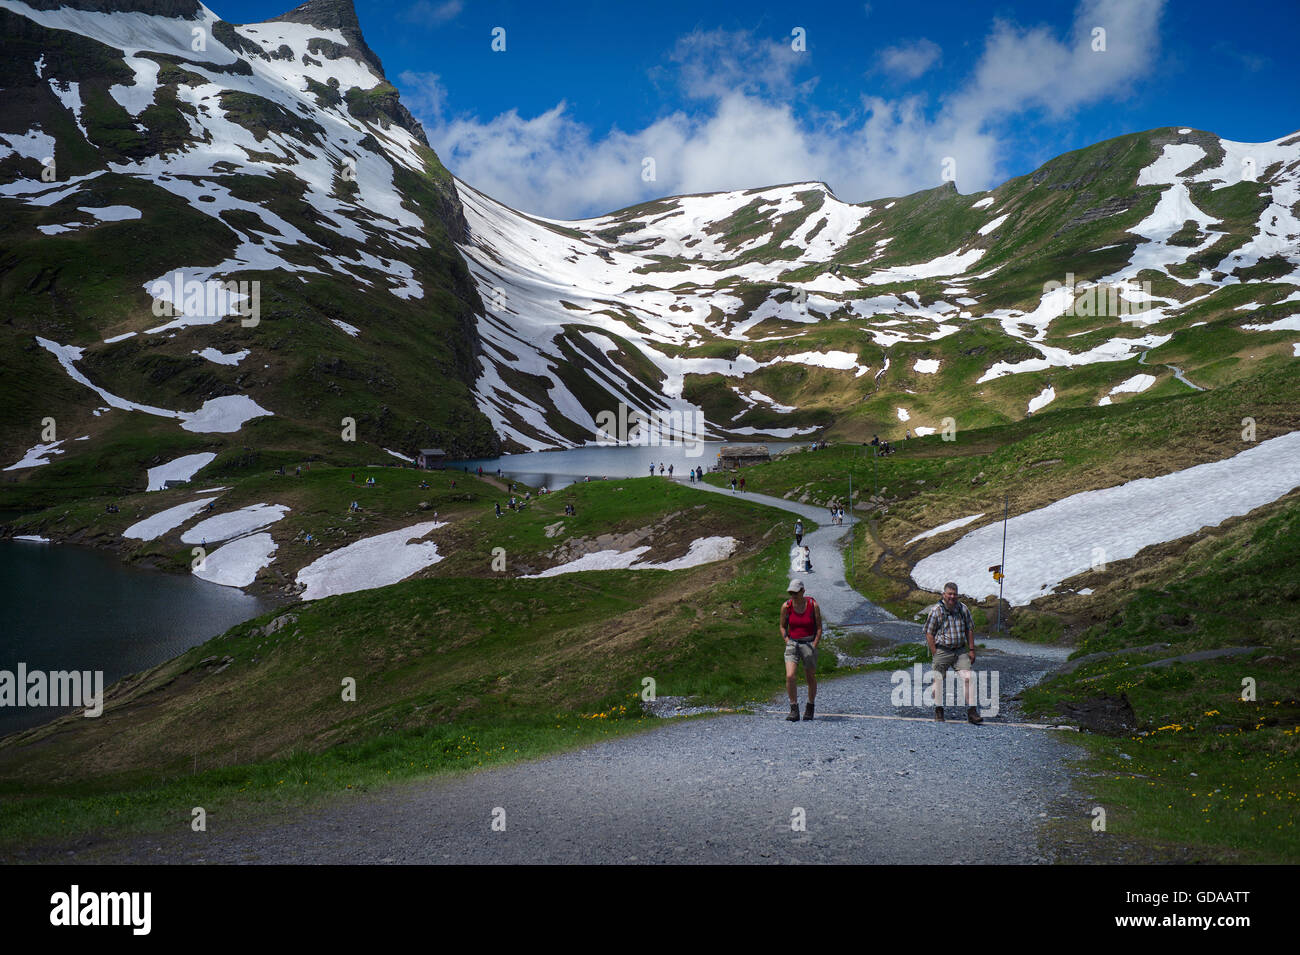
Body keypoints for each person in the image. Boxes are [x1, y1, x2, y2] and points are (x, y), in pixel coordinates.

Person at [924, 582, 982, 724]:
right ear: (944, 594)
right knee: (938, 680)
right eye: (949, 593)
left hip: (960, 650)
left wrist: (972, 649)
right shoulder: (936, 610)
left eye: (954, 594)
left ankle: (972, 712)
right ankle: (938, 710)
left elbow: (969, 629)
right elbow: (929, 633)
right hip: (942, 650)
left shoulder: (963, 609)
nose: (952, 596)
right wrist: (934, 652)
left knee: (968, 678)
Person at [780, 579, 822, 721]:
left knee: (810, 677)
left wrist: (814, 644)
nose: (793, 595)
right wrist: (787, 640)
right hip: (793, 643)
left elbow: (819, 627)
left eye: (796, 593)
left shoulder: (812, 605)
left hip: (808, 643)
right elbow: (782, 626)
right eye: (791, 593)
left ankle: (810, 706)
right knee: (790, 676)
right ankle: (794, 709)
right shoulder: (786, 606)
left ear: (803, 591)